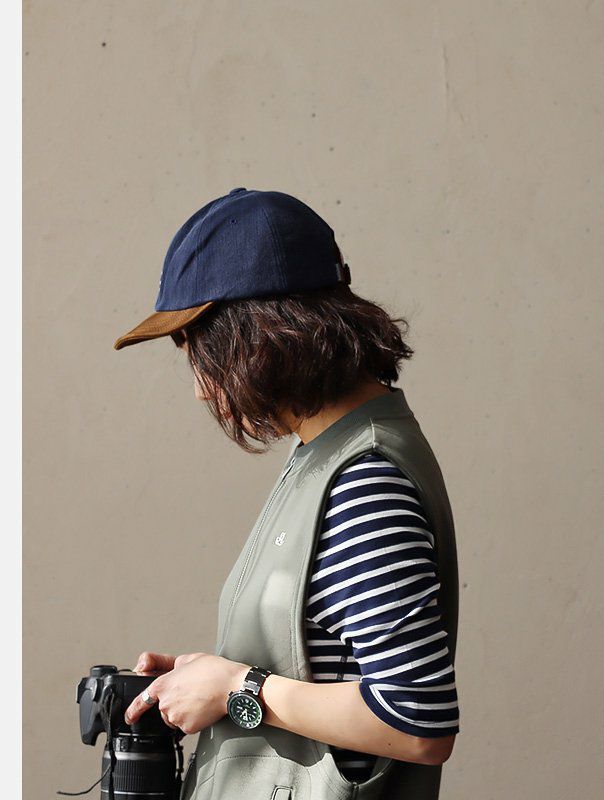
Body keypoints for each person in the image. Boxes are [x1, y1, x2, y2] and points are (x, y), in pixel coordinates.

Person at [113, 188, 460, 800]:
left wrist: (237, 690)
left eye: (200, 351)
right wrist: (208, 680)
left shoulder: (364, 480)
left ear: (259, 335)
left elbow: (417, 721)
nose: (201, 388)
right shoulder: (324, 454)